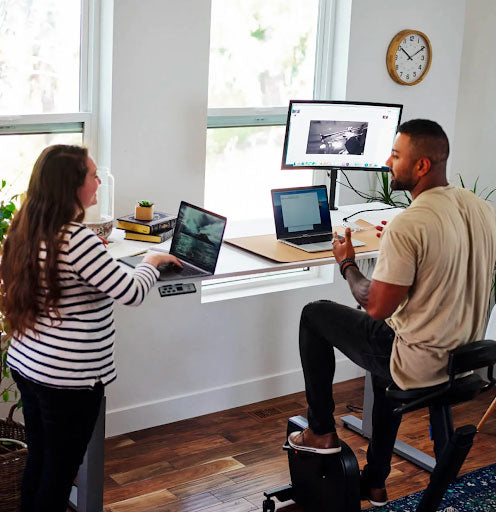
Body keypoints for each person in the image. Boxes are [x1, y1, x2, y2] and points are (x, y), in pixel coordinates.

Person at [287, 119, 496, 506]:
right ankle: (376, 481)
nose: (387, 161)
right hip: (466, 360)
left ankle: (320, 431)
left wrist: (347, 262)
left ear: (421, 166)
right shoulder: (481, 208)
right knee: (385, 343)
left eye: (396, 155)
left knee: (315, 314)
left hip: (420, 365)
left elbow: (377, 305)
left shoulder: (410, 223)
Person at [0, 145, 182, 512]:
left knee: (40, 460)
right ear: (72, 185)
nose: (99, 181)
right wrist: (151, 260)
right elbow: (130, 291)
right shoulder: (75, 238)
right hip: (67, 381)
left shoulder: (25, 227)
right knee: (58, 473)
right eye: (92, 175)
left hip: (27, 365)